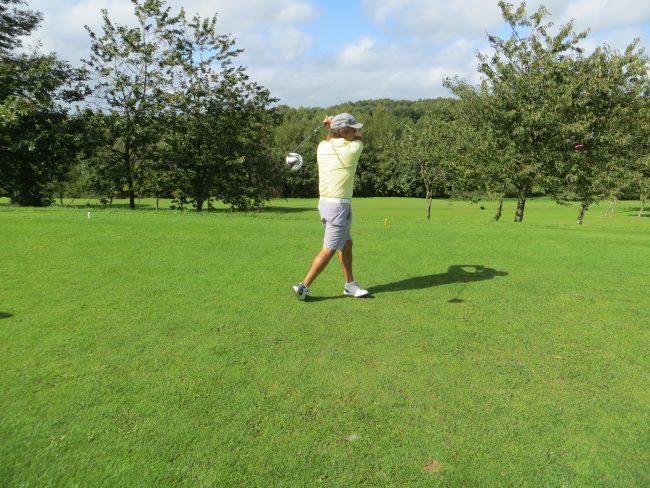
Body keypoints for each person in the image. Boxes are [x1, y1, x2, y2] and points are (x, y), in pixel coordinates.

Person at [292, 113, 370, 300]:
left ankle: (350, 285)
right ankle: (303, 286)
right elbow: (360, 138)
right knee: (329, 249)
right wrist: (332, 124)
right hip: (339, 208)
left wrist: (331, 126)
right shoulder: (354, 148)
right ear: (343, 130)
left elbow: (331, 138)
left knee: (346, 244)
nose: (355, 132)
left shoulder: (322, 146)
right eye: (352, 129)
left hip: (324, 205)